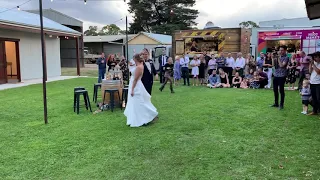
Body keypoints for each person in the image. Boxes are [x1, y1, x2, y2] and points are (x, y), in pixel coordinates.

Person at [124, 54, 158, 127]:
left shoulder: (139, 67)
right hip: (134, 84)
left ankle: (145, 117)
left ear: (136, 59)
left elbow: (135, 79)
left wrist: (132, 89)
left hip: (136, 86)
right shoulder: (139, 65)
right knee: (134, 102)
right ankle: (135, 117)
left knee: (138, 102)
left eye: (134, 59)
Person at [271, 46, 289, 110]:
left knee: (281, 90)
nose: (280, 51)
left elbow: (281, 65)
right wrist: (273, 58)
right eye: (280, 50)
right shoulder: (278, 57)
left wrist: (278, 58)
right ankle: (276, 103)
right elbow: (274, 65)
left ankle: (281, 104)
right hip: (276, 75)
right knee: (275, 90)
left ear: (285, 50)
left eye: (282, 50)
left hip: (282, 76)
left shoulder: (286, 57)